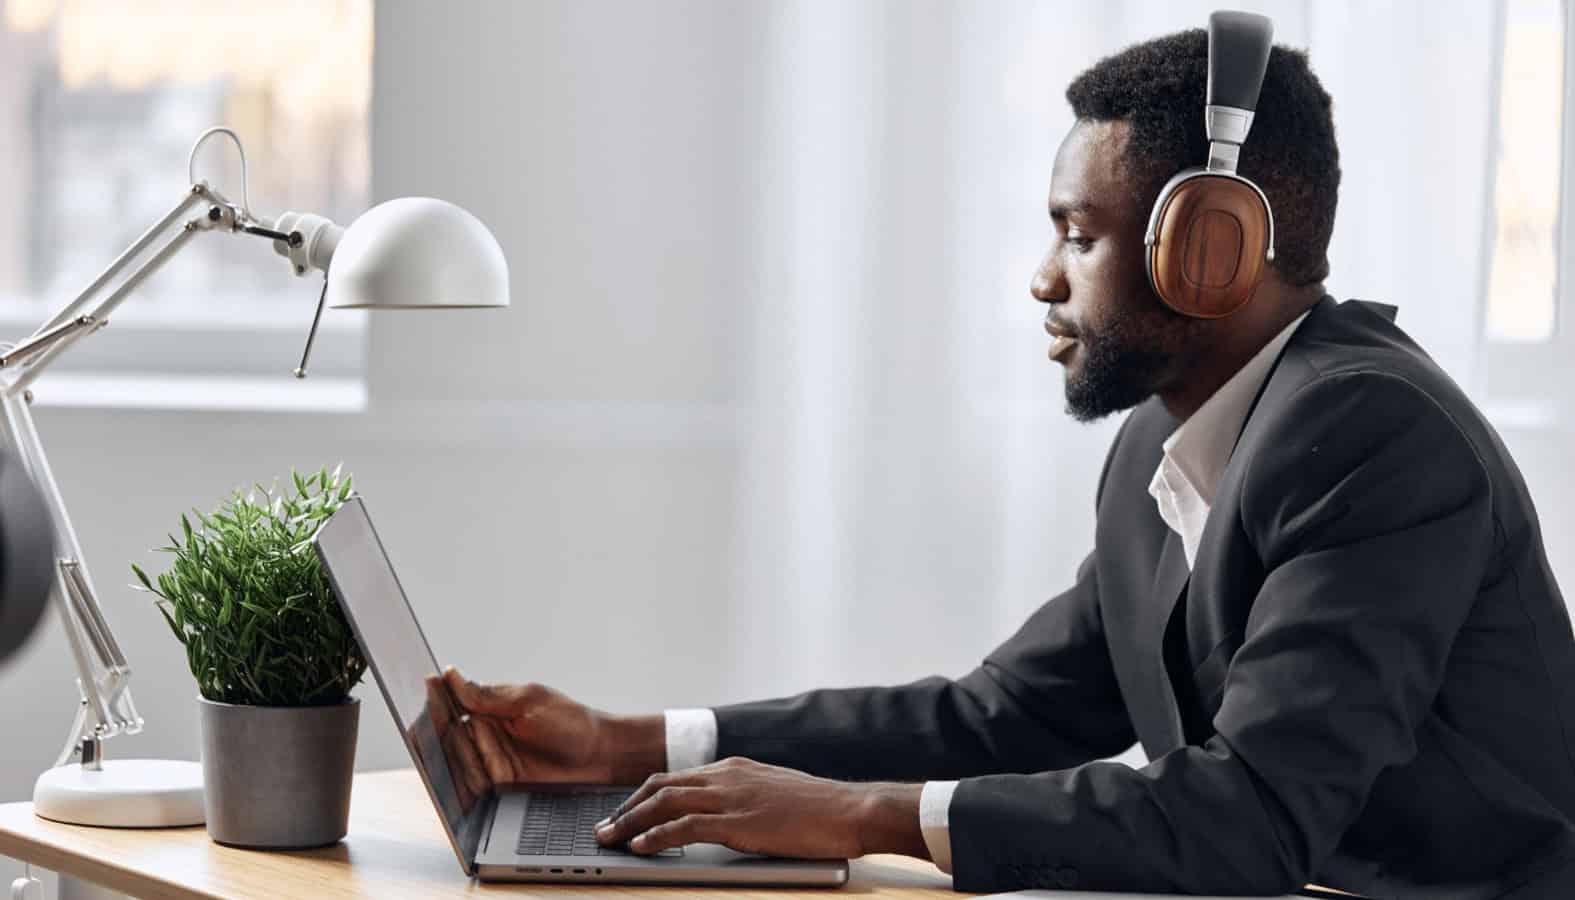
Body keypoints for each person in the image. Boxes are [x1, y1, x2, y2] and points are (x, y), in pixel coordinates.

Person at [445, 26, 1575, 899]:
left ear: (1211, 250)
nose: (1043, 278)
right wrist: (625, 742)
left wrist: (863, 816)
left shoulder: (1370, 435)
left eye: (1079, 235)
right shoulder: (1167, 438)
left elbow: (1254, 818)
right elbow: (1004, 714)